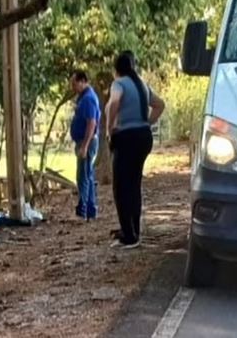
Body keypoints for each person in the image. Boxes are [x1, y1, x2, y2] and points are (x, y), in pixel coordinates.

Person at [105, 51, 165, 249]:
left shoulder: (119, 84)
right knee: (134, 183)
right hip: (143, 137)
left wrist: (110, 129)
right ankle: (133, 230)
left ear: (116, 69)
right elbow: (159, 105)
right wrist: (146, 122)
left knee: (121, 187)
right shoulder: (141, 84)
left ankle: (128, 236)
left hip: (126, 137)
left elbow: (114, 102)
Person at [69, 70, 100, 221]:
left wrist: (85, 146)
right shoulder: (83, 98)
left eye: (74, 84)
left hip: (86, 141)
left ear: (83, 81)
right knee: (87, 175)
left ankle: (85, 211)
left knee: (83, 176)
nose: (72, 87)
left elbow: (91, 123)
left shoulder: (88, 98)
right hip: (82, 140)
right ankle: (90, 210)